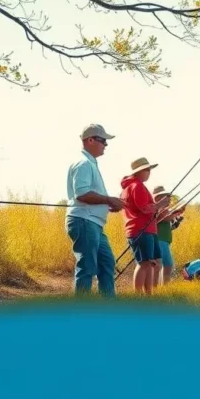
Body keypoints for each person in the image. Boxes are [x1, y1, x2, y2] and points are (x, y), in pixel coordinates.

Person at [65, 124, 125, 298]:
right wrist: (107, 200)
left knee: (107, 263)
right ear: (90, 140)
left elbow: (88, 194)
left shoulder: (90, 163)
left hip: (94, 223)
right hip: (84, 221)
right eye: (103, 140)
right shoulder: (83, 163)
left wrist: (107, 204)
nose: (106, 145)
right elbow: (82, 193)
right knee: (87, 267)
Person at [119, 157, 163, 295]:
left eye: (149, 169)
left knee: (150, 263)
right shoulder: (136, 186)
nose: (149, 172)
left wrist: (157, 207)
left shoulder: (135, 186)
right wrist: (160, 205)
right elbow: (144, 208)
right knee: (144, 263)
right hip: (141, 230)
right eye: (146, 170)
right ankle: (138, 297)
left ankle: (148, 295)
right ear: (138, 172)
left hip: (148, 229)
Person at [151, 186, 184, 286]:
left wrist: (176, 217)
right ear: (158, 198)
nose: (169, 199)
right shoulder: (160, 209)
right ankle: (163, 288)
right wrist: (177, 212)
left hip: (163, 241)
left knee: (162, 266)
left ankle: (160, 288)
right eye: (166, 197)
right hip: (160, 241)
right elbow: (166, 217)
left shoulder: (163, 209)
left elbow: (165, 223)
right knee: (167, 265)